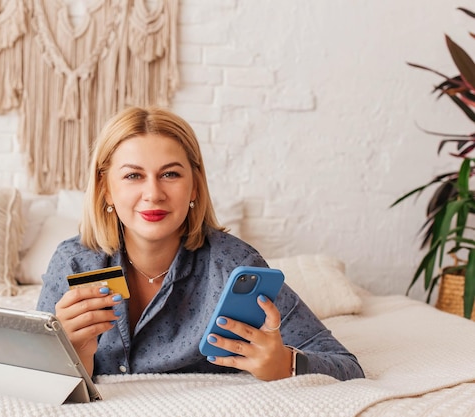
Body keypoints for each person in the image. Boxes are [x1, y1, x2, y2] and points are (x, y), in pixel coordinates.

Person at [36, 106, 365, 381]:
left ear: (194, 187)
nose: (153, 193)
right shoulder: (73, 263)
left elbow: (346, 366)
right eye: (133, 176)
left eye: (170, 174)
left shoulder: (235, 265)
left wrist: (286, 365)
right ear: (106, 189)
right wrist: (73, 355)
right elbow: (34, 380)